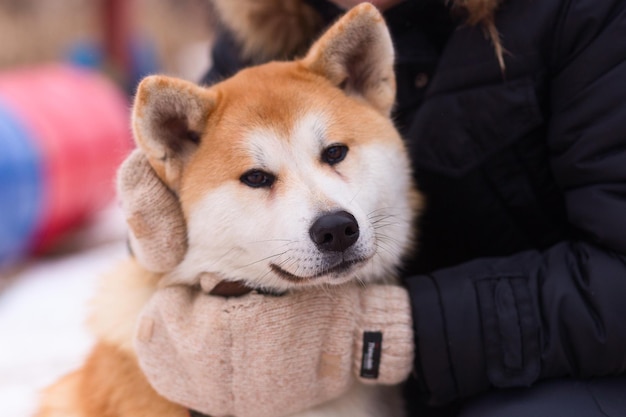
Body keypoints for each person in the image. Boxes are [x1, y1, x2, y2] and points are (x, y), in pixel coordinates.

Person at [125, 0, 626, 416]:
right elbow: (190, 176)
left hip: (562, 358)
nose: (328, 215)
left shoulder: (580, 16)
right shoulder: (269, 20)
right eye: (260, 178)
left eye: (334, 154)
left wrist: (378, 332)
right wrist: (154, 221)